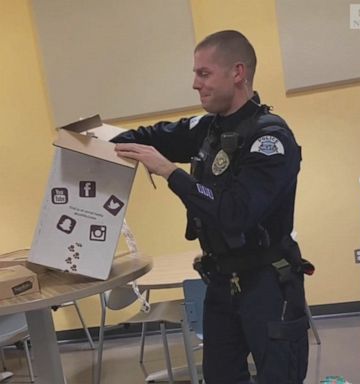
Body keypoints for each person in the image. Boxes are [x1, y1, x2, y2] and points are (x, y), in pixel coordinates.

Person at [111, 30, 311, 384]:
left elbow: (236, 214)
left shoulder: (269, 140)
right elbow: (150, 136)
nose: (194, 83)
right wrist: (95, 140)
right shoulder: (208, 129)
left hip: (266, 283)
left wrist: (171, 172)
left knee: (279, 377)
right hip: (221, 282)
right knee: (220, 376)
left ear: (237, 73)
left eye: (203, 73)